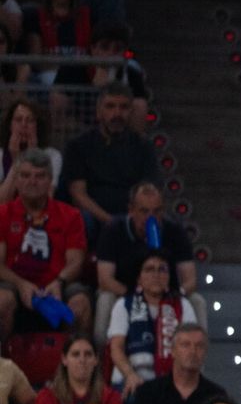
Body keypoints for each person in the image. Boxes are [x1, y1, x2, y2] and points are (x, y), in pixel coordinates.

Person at [93, 181, 204, 343]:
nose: (151, 217)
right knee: (105, 299)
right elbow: (105, 280)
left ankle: (196, 363)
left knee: (197, 301)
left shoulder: (175, 231)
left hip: (166, 294)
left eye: (157, 211)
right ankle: (102, 359)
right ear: (131, 210)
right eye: (144, 211)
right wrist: (136, 297)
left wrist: (173, 294)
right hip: (125, 293)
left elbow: (191, 280)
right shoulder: (113, 230)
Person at [0, 147, 90, 340]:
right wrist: (20, 283)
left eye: (39, 176)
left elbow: (76, 261)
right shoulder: (3, 214)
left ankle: (74, 367)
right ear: (15, 180)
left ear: (50, 180)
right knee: (2, 301)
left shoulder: (70, 215)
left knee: (80, 303)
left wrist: (59, 282)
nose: (32, 182)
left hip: (58, 285)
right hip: (14, 284)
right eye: (25, 175)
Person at [60, 84, 158, 245]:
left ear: (131, 112)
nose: (117, 113)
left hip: (133, 216)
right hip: (94, 217)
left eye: (123, 107)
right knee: (82, 220)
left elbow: (149, 190)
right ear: (99, 112)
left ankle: (157, 264)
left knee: (163, 224)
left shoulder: (143, 147)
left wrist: (132, 219)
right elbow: (78, 195)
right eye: (110, 106)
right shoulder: (78, 145)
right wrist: (110, 221)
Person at [107, 254, 198, 394]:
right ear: (139, 279)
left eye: (162, 269)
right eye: (149, 269)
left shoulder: (182, 305)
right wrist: (130, 375)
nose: (156, 275)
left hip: (172, 381)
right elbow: (116, 348)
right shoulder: (124, 305)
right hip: (131, 379)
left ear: (169, 277)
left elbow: (192, 346)